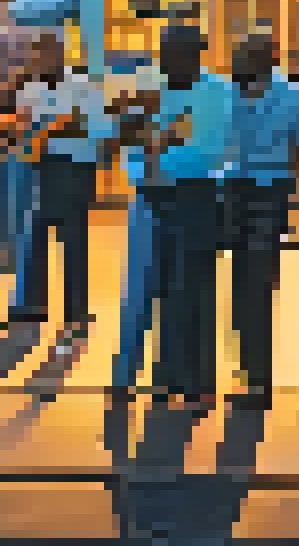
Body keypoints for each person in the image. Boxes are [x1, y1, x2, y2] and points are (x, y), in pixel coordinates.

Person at [119, 24, 232, 406]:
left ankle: (198, 381)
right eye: (165, 53)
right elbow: (132, 149)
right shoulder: (153, 92)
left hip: (197, 200)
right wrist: (148, 160)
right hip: (151, 200)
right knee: (159, 288)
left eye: (177, 54)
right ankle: (166, 376)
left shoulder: (217, 92)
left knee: (195, 290)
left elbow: (212, 150)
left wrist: (160, 153)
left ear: (195, 55)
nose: (169, 61)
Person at [223, 34, 299, 406]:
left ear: (268, 61)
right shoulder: (231, 93)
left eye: (246, 60)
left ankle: (258, 379)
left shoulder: (296, 97)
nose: (240, 67)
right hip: (233, 194)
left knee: (257, 282)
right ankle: (248, 371)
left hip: (269, 194)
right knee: (242, 284)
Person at [9, 36, 110, 343]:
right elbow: (24, 133)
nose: (43, 59)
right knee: (34, 237)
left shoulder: (82, 86)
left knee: (74, 241)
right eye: (37, 53)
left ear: (61, 53)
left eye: (48, 52)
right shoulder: (28, 91)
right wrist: (58, 127)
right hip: (42, 169)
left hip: (76, 170)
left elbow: (100, 129)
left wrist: (51, 129)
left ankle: (75, 313)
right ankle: (33, 306)